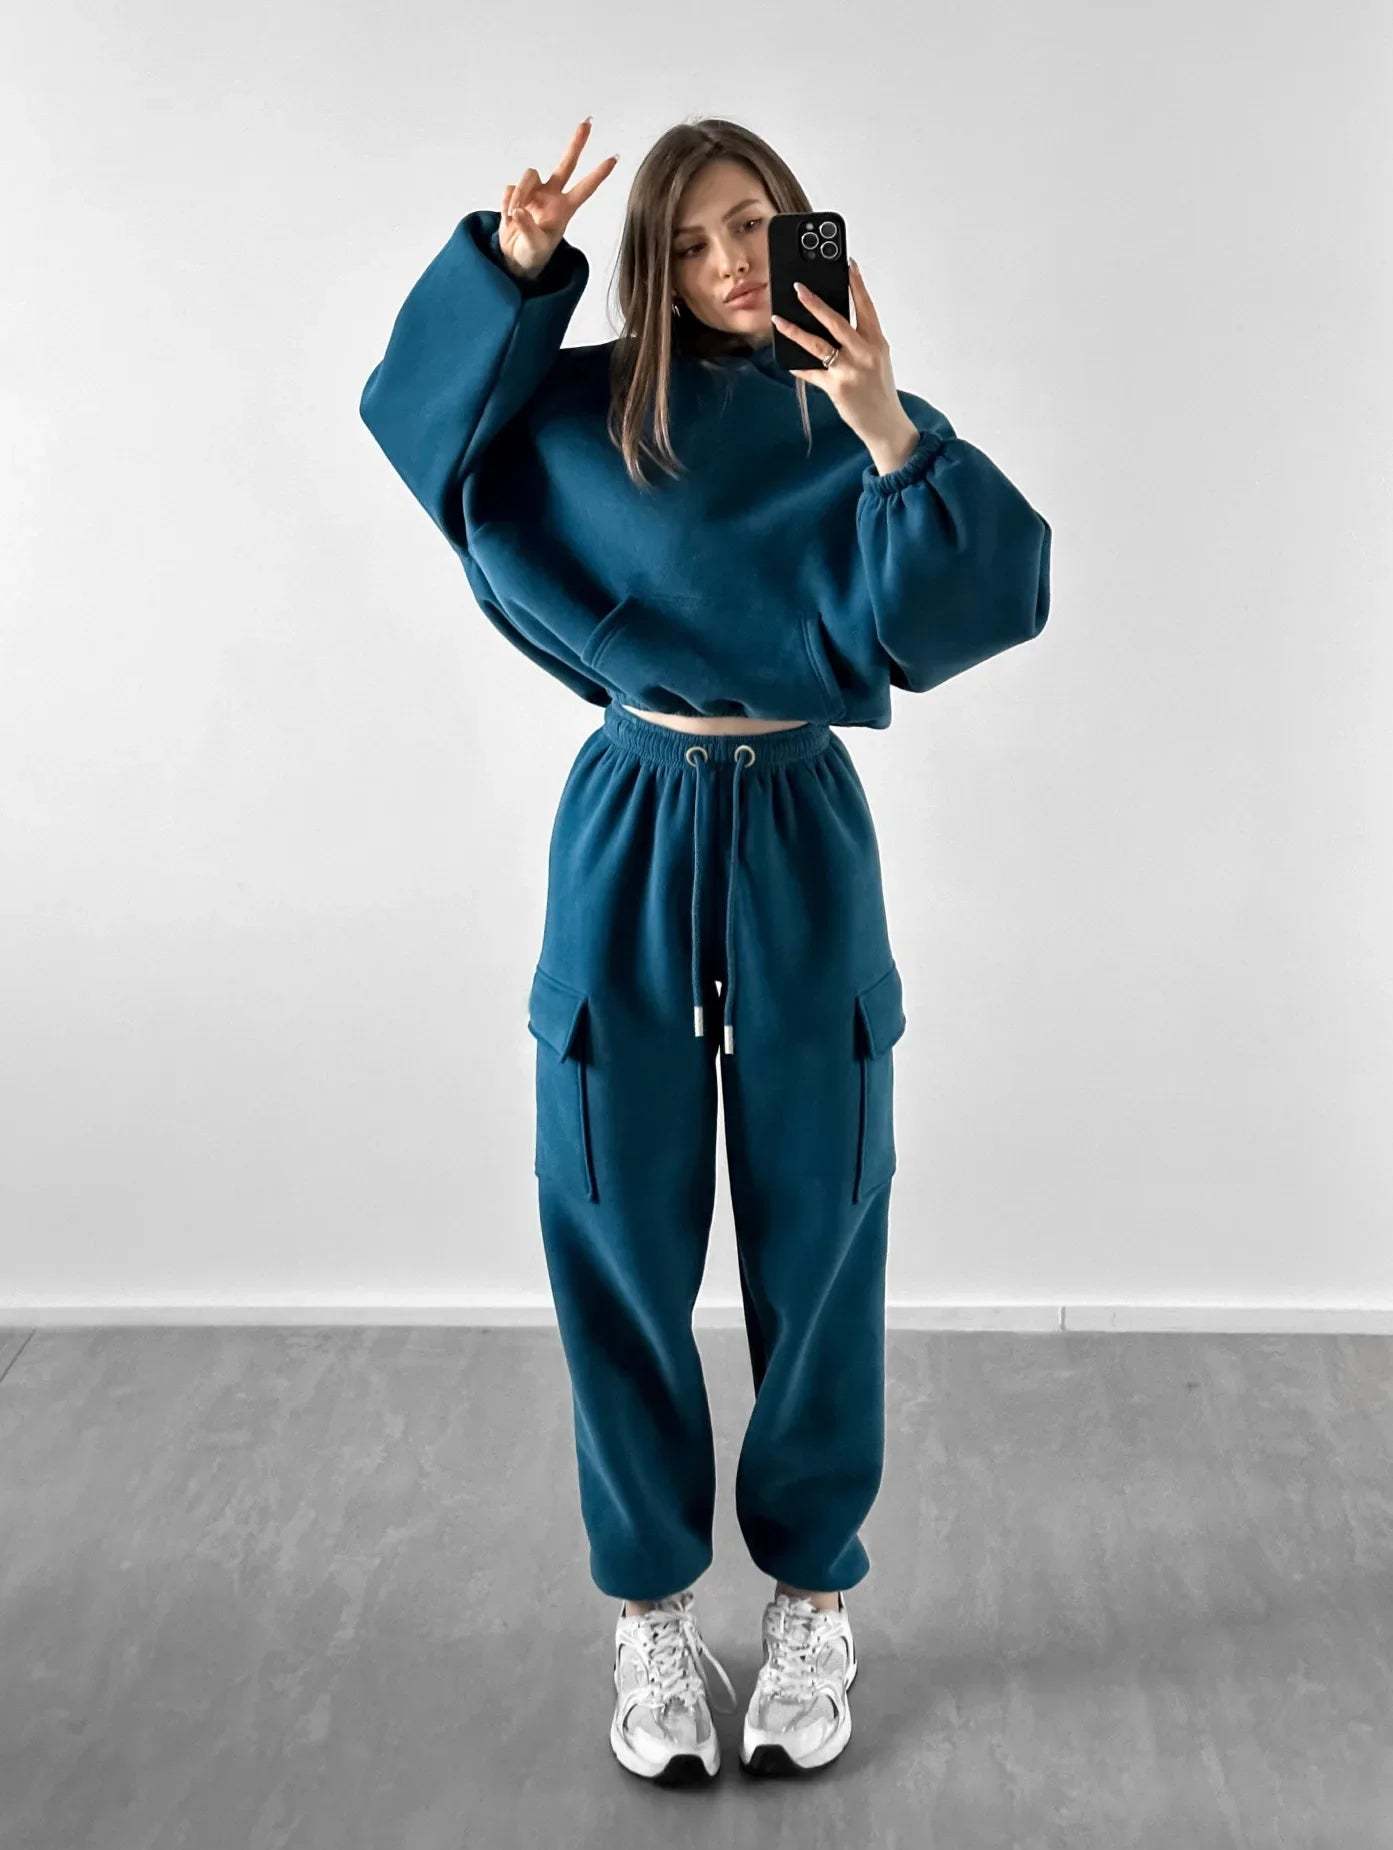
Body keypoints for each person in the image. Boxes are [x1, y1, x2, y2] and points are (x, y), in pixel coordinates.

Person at [360, 114, 1051, 1784]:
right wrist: (510, 270)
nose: (731, 262)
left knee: (823, 1220)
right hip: (634, 814)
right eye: (687, 241)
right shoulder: (587, 415)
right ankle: (652, 1613)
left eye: (754, 225)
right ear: (652, 267)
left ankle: (813, 1596)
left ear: (801, 227)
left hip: (801, 826)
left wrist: (882, 419)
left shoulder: (857, 417)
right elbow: (419, 429)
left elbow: (990, 595)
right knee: (614, 1218)